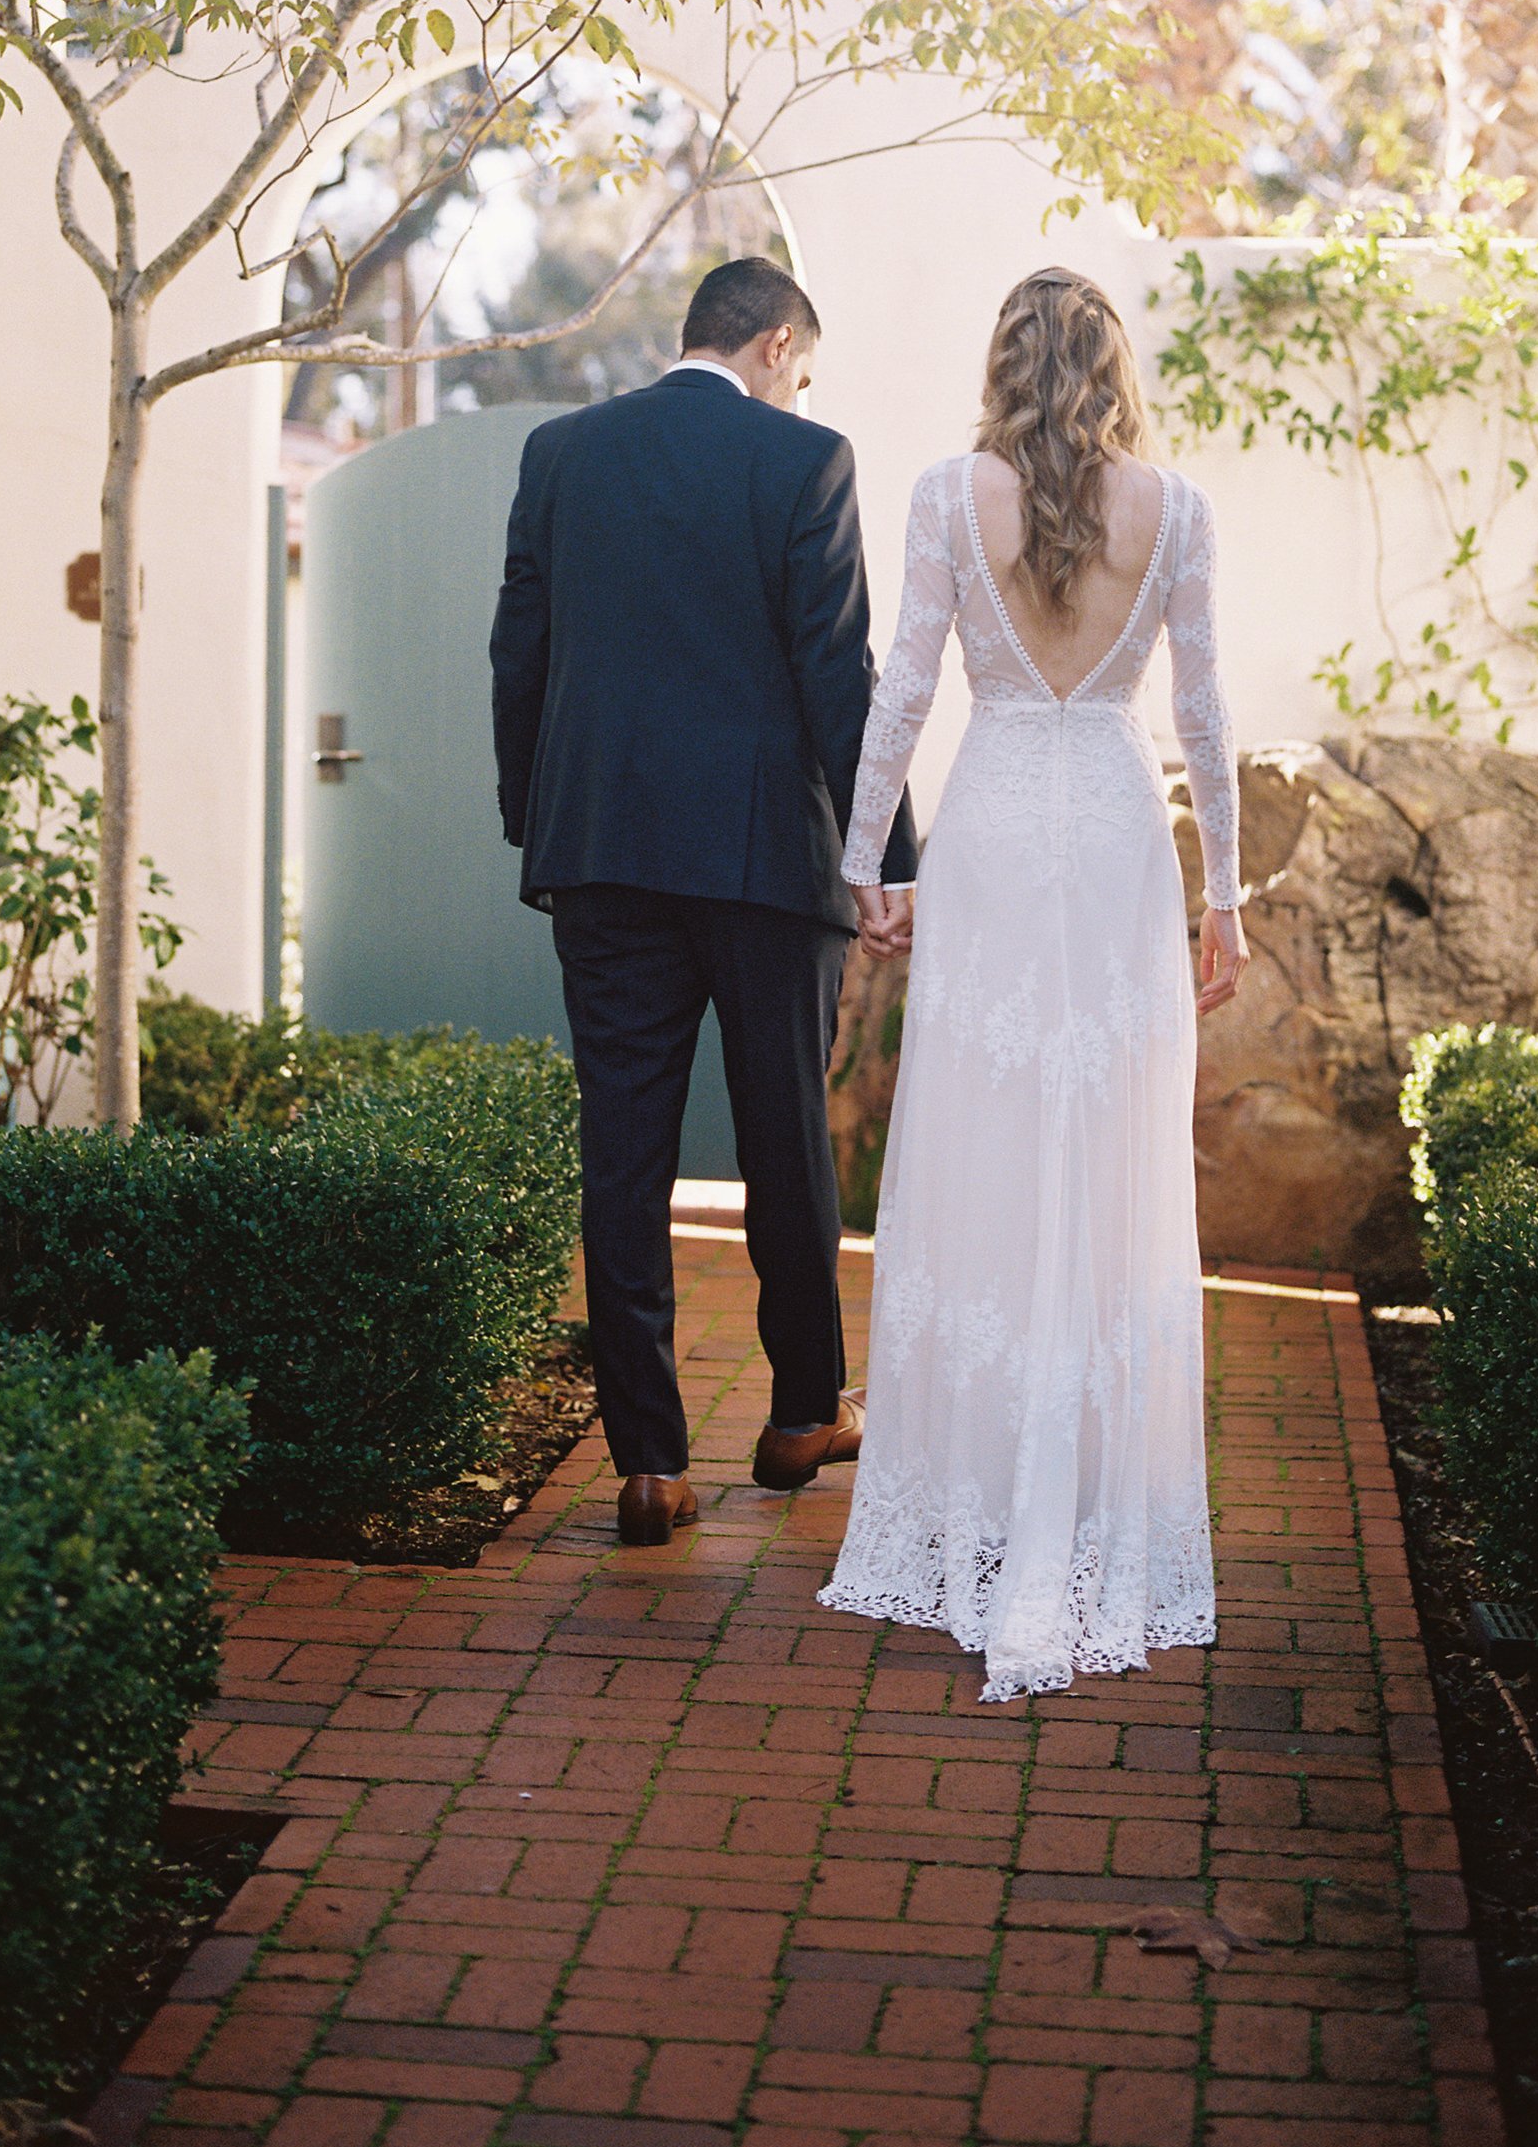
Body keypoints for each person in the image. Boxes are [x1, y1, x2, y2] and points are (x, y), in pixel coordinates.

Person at [820, 267, 1247, 1700]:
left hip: (998, 822)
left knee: (981, 1147)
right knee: (1107, 1150)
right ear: (1116, 370)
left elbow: (901, 687)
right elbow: (1199, 714)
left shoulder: (950, 497)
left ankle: (984, 1499)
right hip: (1119, 833)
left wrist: (865, 853)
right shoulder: (1173, 510)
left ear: (1001, 364)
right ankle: (1091, 1496)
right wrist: (1227, 899)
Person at [490, 257, 918, 1545]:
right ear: (780, 345)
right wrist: (888, 854)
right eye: (806, 368)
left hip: (604, 854)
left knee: (623, 1150)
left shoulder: (563, 452)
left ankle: (649, 1465)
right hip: (762, 866)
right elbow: (838, 675)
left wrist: (537, 813)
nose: (803, 389)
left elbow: (521, 652)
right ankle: (798, 1414)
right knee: (784, 1134)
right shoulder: (806, 463)